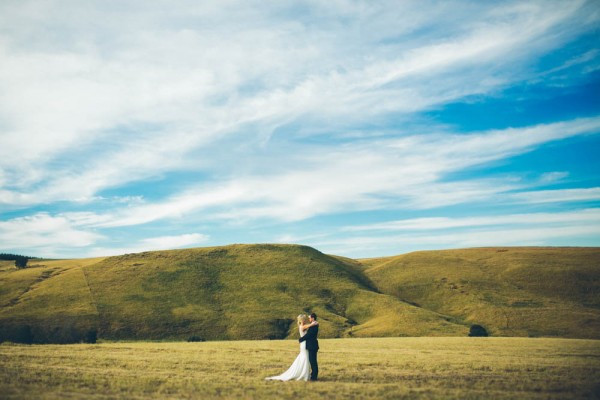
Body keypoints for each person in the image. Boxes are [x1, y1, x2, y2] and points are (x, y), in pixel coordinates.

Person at [265, 314, 318, 381]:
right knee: (305, 357)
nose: (306, 320)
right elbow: (309, 326)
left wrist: (314, 323)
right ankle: (303, 374)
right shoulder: (302, 326)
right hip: (304, 344)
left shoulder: (304, 326)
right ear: (302, 320)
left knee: (306, 358)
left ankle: (305, 374)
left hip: (305, 343)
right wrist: (314, 323)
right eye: (304, 319)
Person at [299, 313, 319, 381]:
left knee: (313, 362)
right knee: (312, 361)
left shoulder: (314, 325)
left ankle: (314, 377)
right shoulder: (314, 324)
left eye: (310, 318)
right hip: (311, 345)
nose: (309, 319)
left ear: (313, 318)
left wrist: (301, 339)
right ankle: (313, 376)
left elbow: (309, 335)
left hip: (312, 346)